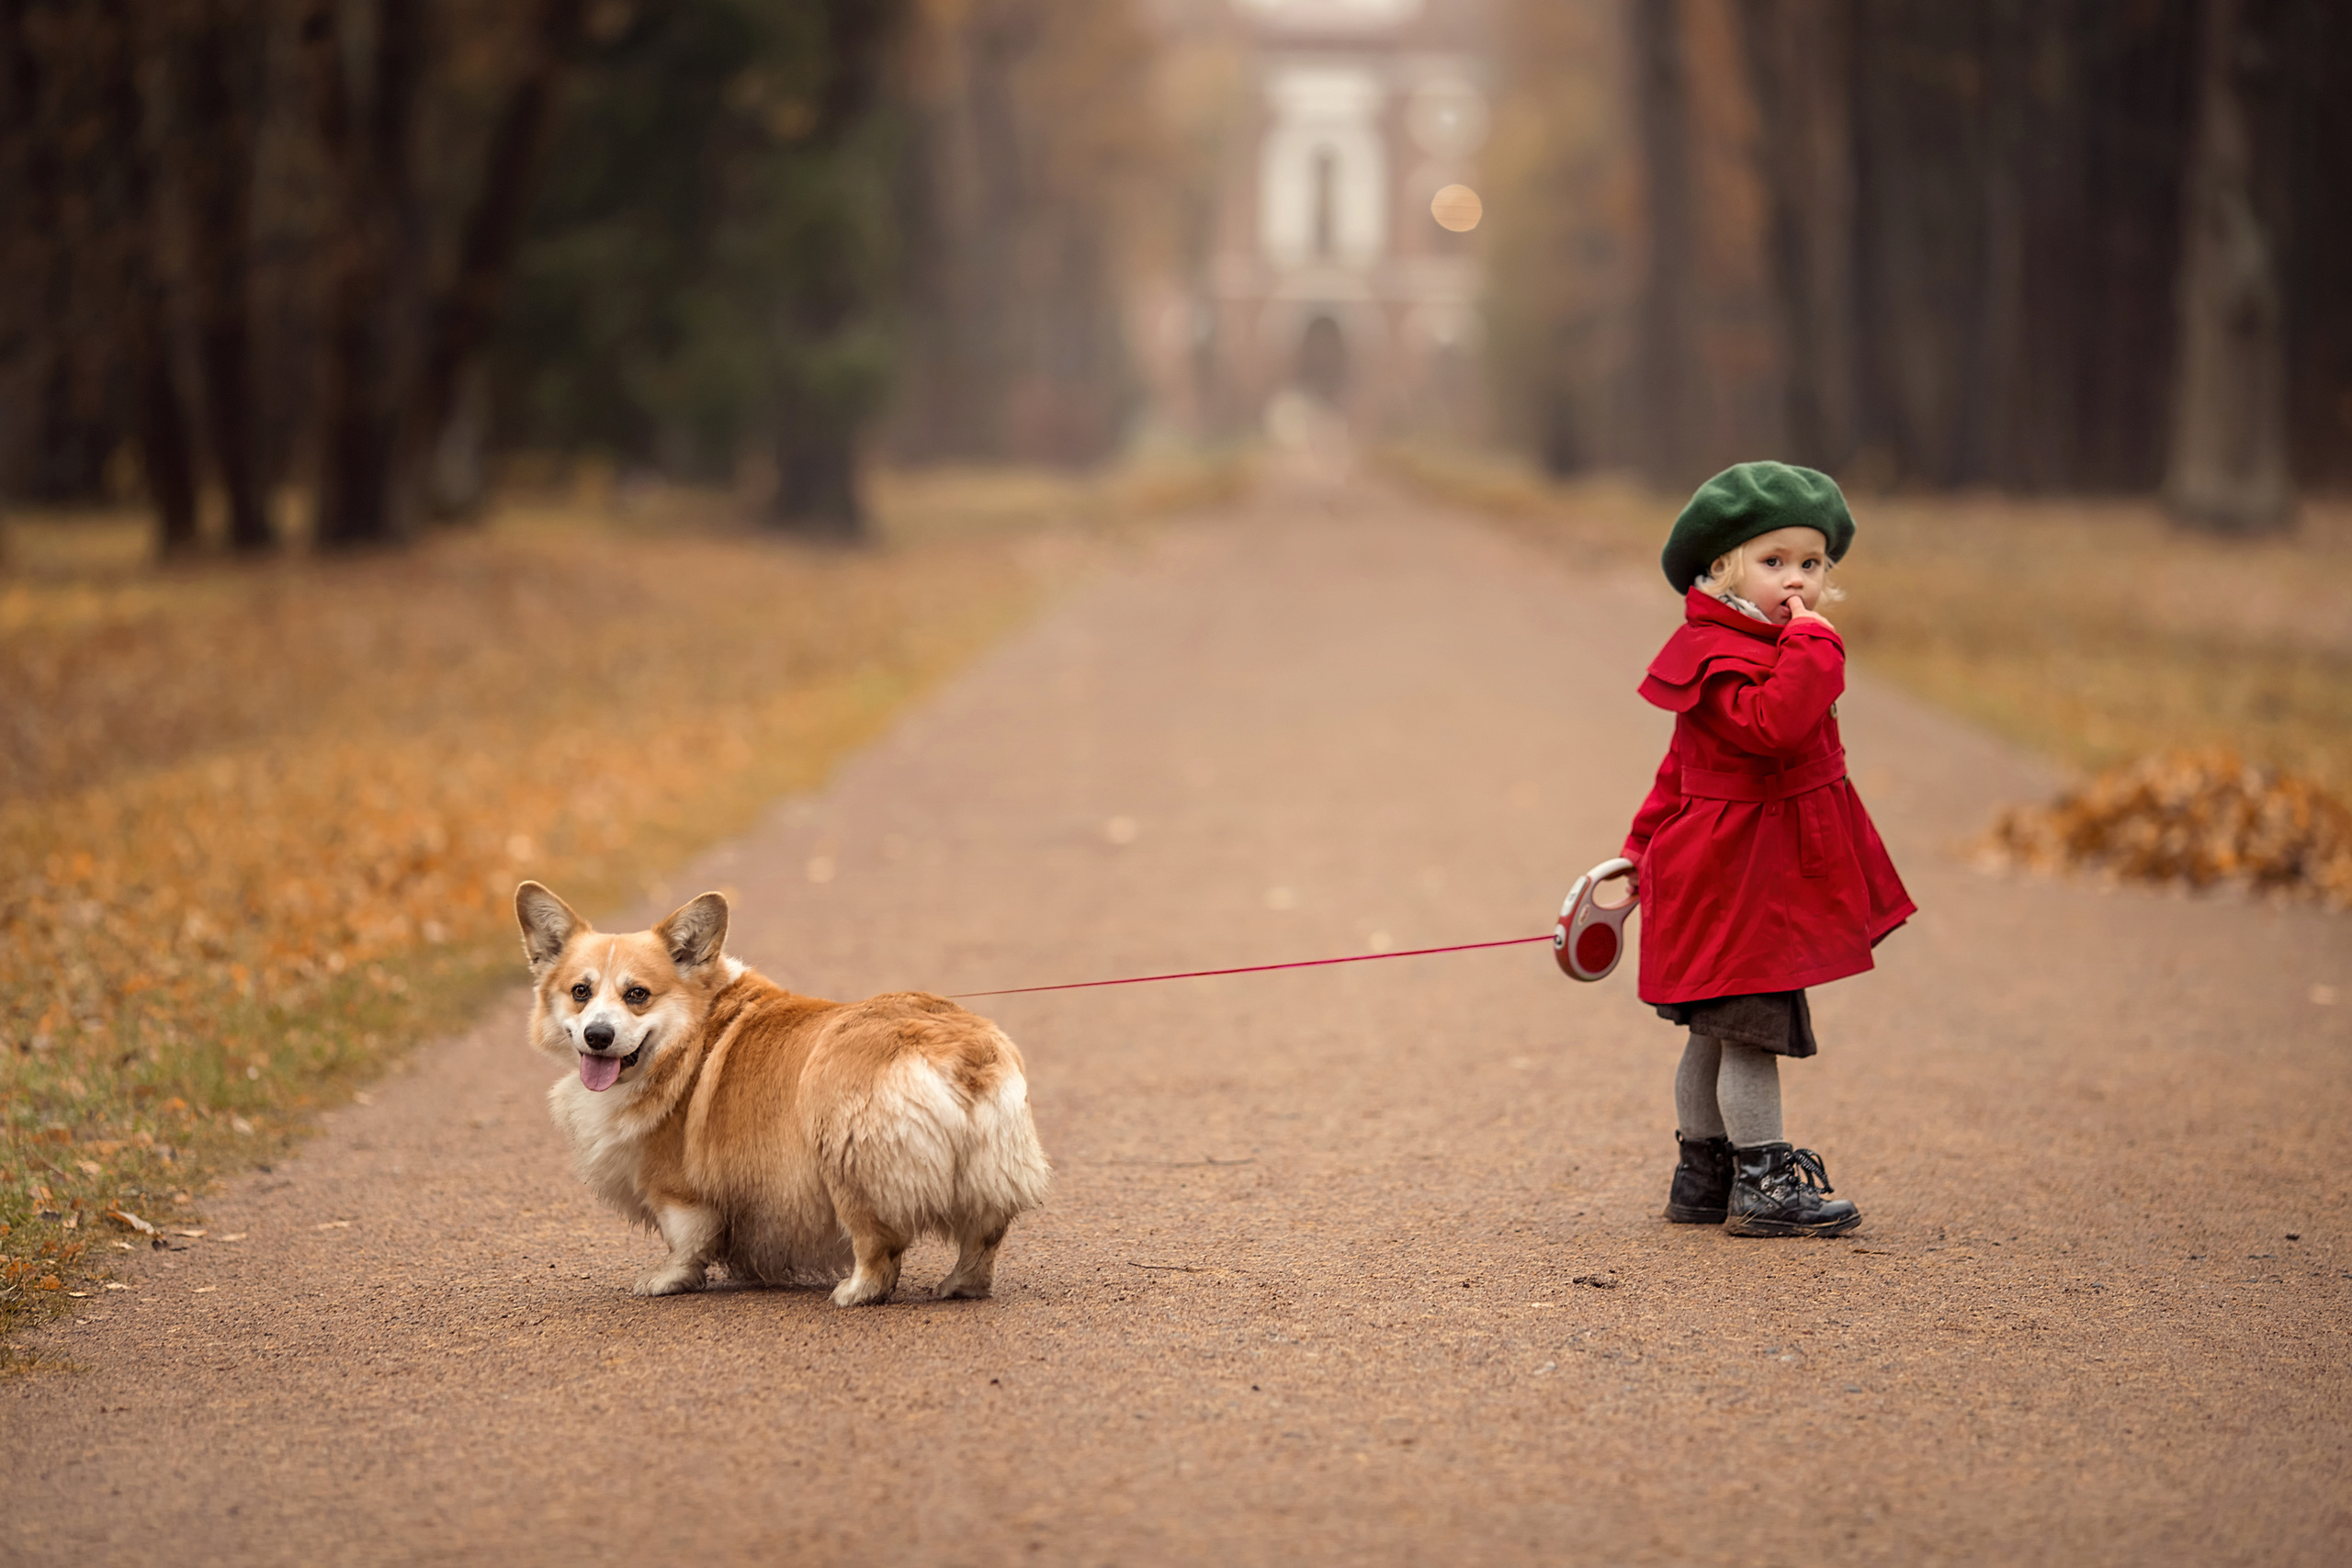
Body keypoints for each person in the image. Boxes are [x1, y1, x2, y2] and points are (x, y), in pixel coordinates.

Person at [1621, 462, 1914, 1237]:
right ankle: (1762, 1182)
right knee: (1749, 1029)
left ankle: (1702, 1174)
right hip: (1741, 878)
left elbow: (1678, 766)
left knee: (1714, 1029)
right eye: (1773, 560)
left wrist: (1638, 850)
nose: (1797, 580)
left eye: (1811, 563)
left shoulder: (1748, 640)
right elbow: (1771, 727)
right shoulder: (1723, 652)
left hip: (1734, 868)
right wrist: (1815, 648)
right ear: (1723, 569)